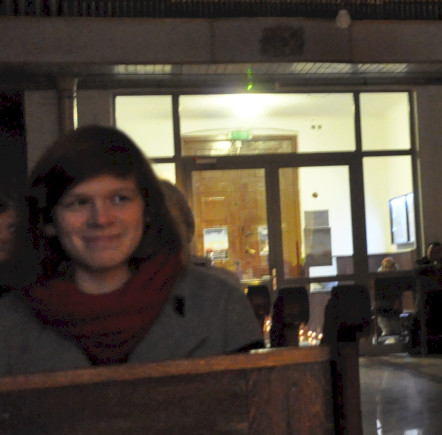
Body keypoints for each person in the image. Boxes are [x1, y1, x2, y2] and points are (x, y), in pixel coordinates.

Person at [0, 126, 261, 375]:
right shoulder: (8, 325)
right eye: (79, 202)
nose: (101, 219)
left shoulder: (218, 306)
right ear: (48, 220)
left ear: (147, 210)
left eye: (120, 199)